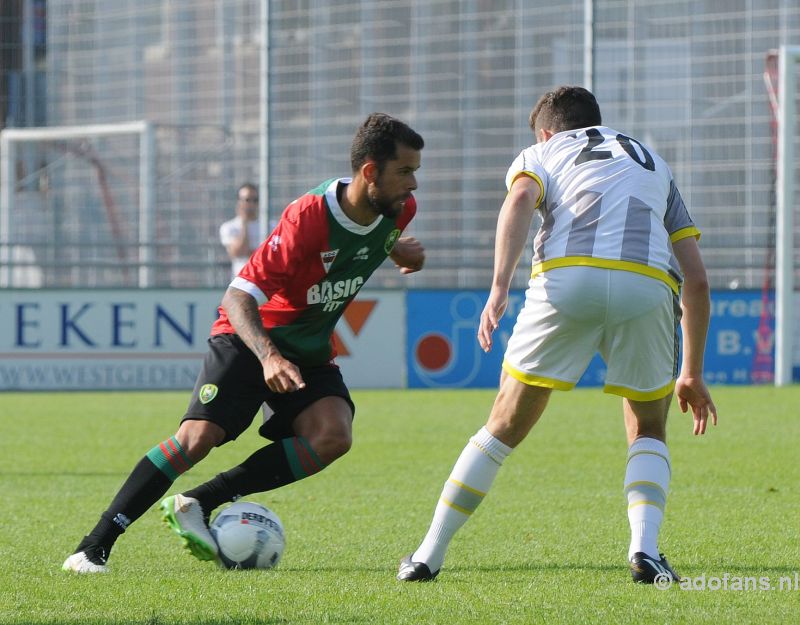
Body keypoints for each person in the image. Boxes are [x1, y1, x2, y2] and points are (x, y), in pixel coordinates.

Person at [63, 112, 426, 573]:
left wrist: (398, 248)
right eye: (405, 172)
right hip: (249, 336)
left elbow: (376, 231)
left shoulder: (397, 210)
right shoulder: (308, 218)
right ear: (370, 172)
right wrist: (268, 355)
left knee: (333, 436)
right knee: (197, 439)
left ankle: (198, 501)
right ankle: (92, 547)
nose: (413, 185)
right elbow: (238, 296)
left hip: (308, 351)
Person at [397, 86, 717, 585]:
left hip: (567, 279)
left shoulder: (542, 151)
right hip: (648, 284)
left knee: (502, 425)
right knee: (648, 428)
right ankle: (645, 551)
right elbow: (696, 278)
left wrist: (499, 287)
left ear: (547, 131)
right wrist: (692, 371)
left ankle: (426, 555)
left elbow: (522, 197)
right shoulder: (654, 162)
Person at [219, 182, 262, 278]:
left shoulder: (270, 225)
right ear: (239, 202)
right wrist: (244, 223)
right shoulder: (229, 227)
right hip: (241, 282)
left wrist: (251, 253)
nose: (251, 204)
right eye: (247, 200)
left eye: (255, 200)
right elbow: (239, 252)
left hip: (265, 282)